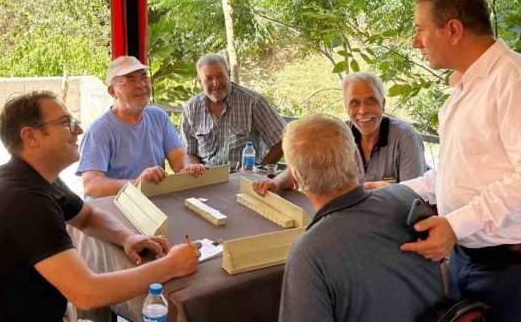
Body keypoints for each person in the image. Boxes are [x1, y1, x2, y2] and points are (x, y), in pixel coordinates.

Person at [370, 0, 521, 321]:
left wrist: (456, 223)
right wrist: (390, 194)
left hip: (520, 271)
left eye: (421, 29)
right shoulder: (468, 87)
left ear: (453, 29)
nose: (415, 41)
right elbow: (454, 175)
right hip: (473, 260)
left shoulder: (519, 82)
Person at [0, 92, 201, 322]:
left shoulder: (35, 178)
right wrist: (170, 267)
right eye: (65, 122)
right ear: (30, 136)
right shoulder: (24, 200)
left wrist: (127, 237)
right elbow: (87, 293)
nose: (78, 129)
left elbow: (87, 217)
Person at [279, 114, 444, 322]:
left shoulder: (309, 251)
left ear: (295, 178)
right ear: (357, 162)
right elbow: (442, 278)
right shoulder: (405, 197)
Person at [253, 72, 427, 196]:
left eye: (371, 100)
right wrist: (275, 183)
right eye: (354, 103)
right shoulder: (338, 134)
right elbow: (303, 168)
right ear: (346, 107)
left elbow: (412, 196)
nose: (363, 110)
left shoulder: (405, 137)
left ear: (383, 103)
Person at [77, 56, 207, 198]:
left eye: (144, 77)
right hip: (114, 209)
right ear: (112, 91)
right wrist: (137, 183)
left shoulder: (158, 117)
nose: (141, 85)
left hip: (151, 202)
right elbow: (91, 185)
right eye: (130, 79)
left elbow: (179, 160)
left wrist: (189, 168)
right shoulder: (100, 131)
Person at [180, 53, 286, 168]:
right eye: (209, 78)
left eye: (220, 76)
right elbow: (188, 151)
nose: (216, 83)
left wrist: (260, 172)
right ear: (200, 81)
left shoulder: (253, 102)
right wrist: (198, 171)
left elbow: (282, 140)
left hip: (246, 180)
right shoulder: (192, 108)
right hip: (207, 180)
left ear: (229, 74)